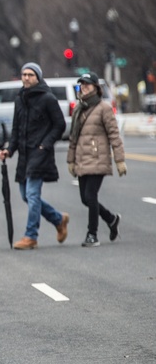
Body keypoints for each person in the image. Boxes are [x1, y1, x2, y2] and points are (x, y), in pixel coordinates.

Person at [0, 62, 69, 250]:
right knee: (25, 195)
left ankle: (31, 236)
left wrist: (45, 144)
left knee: (32, 193)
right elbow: (15, 129)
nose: (26, 77)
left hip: (40, 153)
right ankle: (58, 219)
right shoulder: (19, 99)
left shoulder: (48, 98)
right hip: (24, 154)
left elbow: (59, 125)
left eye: (30, 74)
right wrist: (9, 150)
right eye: (24, 74)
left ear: (38, 77)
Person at [67, 72, 126, 247]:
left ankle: (92, 234)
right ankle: (111, 219)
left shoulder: (104, 108)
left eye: (87, 85)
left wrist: (119, 160)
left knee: (90, 196)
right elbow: (73, 138)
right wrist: (71, 161)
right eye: (81, 85)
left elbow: (114, 135)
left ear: (96, 88)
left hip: (97, 158)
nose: (83, 87)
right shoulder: (78, 109)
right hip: (81, 160)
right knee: (85, 199)